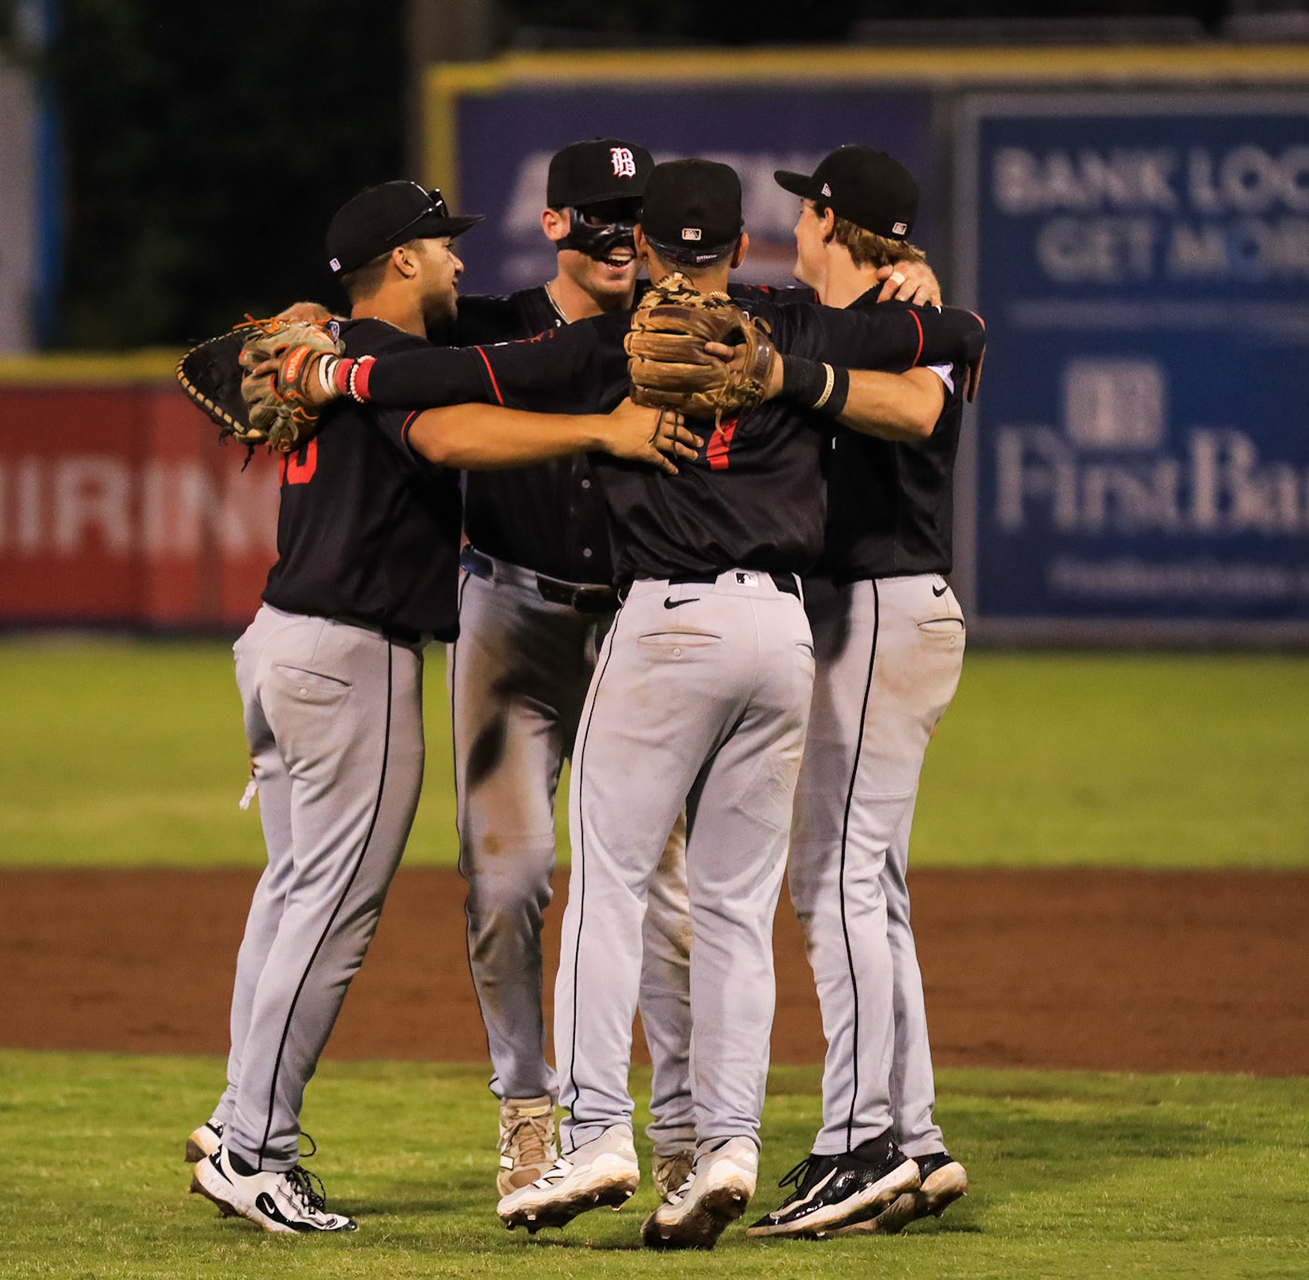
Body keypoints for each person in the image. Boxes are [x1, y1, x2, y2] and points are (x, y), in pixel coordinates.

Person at [273, 158, 986, 1249]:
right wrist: (924, 306)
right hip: (782, 634)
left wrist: (338, 374)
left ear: (647, 250)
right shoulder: (790, 327)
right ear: (739, 249)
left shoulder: (602, 343)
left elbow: (448, 373)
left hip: (662, 626)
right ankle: (725, 1144)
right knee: (734, 908)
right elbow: (955, 342)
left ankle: (598, 1129)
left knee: (610, 886)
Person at [184, 179, 695, 1235]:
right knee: (328, 910)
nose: (461, 262)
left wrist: (314, 336)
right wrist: (599, 430)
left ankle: (242, 1122)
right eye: (442, 246)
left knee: (290, 898)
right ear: (403, 259)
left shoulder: (341, 356)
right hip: (348, 654)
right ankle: (251, 1144)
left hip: (281, 643)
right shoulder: (379, 366)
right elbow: (457, 437)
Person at [437, 138, 704, 1202]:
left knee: (668, 890)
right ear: (552, 224)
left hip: (640, 629)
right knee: (505, 882)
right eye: (597, 215)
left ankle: (684, 1125)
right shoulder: (494, 330)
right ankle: (526, 1109)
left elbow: (835, 327)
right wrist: (322, 329)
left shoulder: (682, 330)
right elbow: (414, 380)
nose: (618, 240)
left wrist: (908, 286)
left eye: (633, 219)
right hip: (512, 615)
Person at [746, 146, 975, 1239]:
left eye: (808, 211)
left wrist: (803, 380)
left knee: (832, 876)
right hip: (859, 612)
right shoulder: (811, 316)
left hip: (883, 604)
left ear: (835, 220)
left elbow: (921, 413)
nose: (794, 226)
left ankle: (859, 1140)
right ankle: (914, 1137)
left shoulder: (910, 315)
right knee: (868, 884)